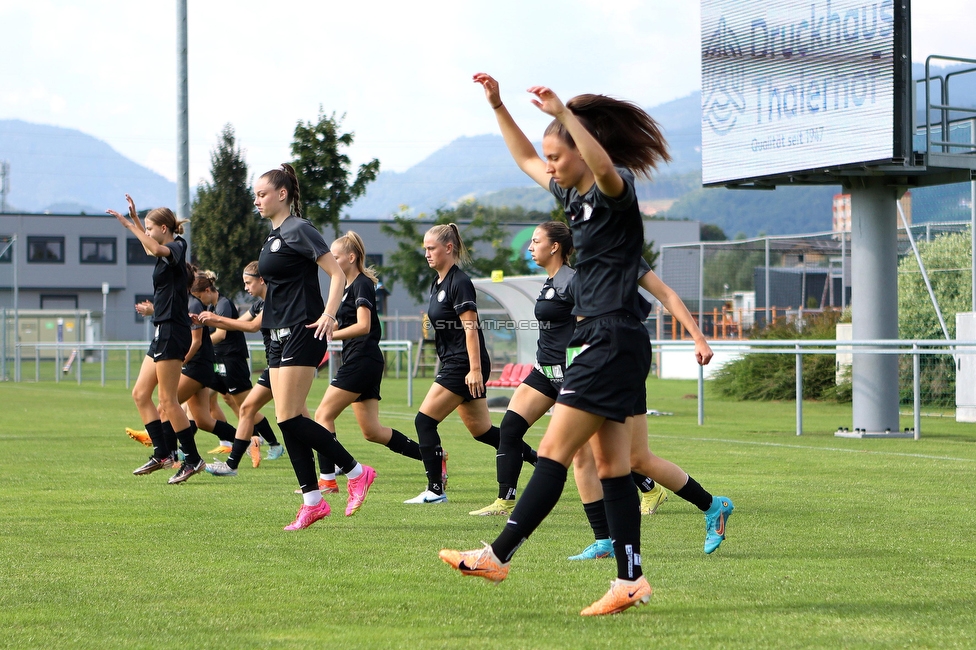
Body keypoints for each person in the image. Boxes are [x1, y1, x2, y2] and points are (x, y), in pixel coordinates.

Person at [440, 75, 733, 616]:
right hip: (611, 341)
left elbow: (600, 166)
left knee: (554, 451)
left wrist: (568, 116)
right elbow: (526, 158)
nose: (549, 165)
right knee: (613, 466)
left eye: (559, 155)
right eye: (550, 156)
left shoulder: (614, 188)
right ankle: (630, 581)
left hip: (609, 339)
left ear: (581, 147)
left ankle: (497, 555)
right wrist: (501, 106)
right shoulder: (570, 196)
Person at [468, 223, 668, 538]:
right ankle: (504, 500)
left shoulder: (573, 281)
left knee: (597, 449)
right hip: (543, 372)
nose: (530, 246)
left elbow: (588, 329)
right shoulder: (549, 282)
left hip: (570, 373)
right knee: (510, 428)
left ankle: (648, 487)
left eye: (536, 241)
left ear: (555, 247)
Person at [254, 163, 375, 529]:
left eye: (262, 194)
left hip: (301, 331)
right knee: (290, 420)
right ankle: (312, 501)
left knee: (289, 417)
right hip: (276, 334)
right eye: (255, 195)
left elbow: (336, 274)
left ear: (282, 194)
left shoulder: (299, 228)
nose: (257, 200)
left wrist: (329, 313)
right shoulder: (273, 236)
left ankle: (356, 472)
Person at [405, 223, 537, 504]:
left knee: (424, 421)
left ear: (448, 248)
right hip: (455, 363)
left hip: (464, 365)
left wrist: (475, 370)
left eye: (431, 248)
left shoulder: (460, 281)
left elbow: (471, 328)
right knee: (483, 432)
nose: (427, 253)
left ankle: (435, 490)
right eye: (425, 248)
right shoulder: (437, 282)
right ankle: (540, 460)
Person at [107, 195, 204, 484]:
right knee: (140, 393)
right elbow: (151, 248)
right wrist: (137, 221)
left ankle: (192, 459)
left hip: (173, 330)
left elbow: (154, 246)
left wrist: (128, 225)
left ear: (164, 228)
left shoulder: (177, 246)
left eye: (150, 228)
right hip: (161, 329)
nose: (146, 233)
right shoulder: (163, 249)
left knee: (168, 401)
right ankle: (163, 453)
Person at [312, 231, 423, 479]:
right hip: (364, 360)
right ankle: (435, 456)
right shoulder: (348, 287)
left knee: (322, 415)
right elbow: (347, 323)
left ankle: (327, 480)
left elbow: (364, 325)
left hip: (362, 360)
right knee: (372, 432)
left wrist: (329, 334)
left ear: (351, 257)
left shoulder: (361, 283)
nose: (332, 261)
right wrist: (322, 325)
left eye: (336, 256)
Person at [198, 263, 287, 478]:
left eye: (248, 282)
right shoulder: (258, 305)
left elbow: (253, 326)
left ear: (262, 280)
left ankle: (333, 463)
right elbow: (238, 323)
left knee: (295, 419)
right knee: (247, 409)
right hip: (274, 364)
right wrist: (199, 323)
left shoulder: (274, 301)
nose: (246, 287)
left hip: (287, 365)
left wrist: (216, 321)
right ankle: (232, 465)